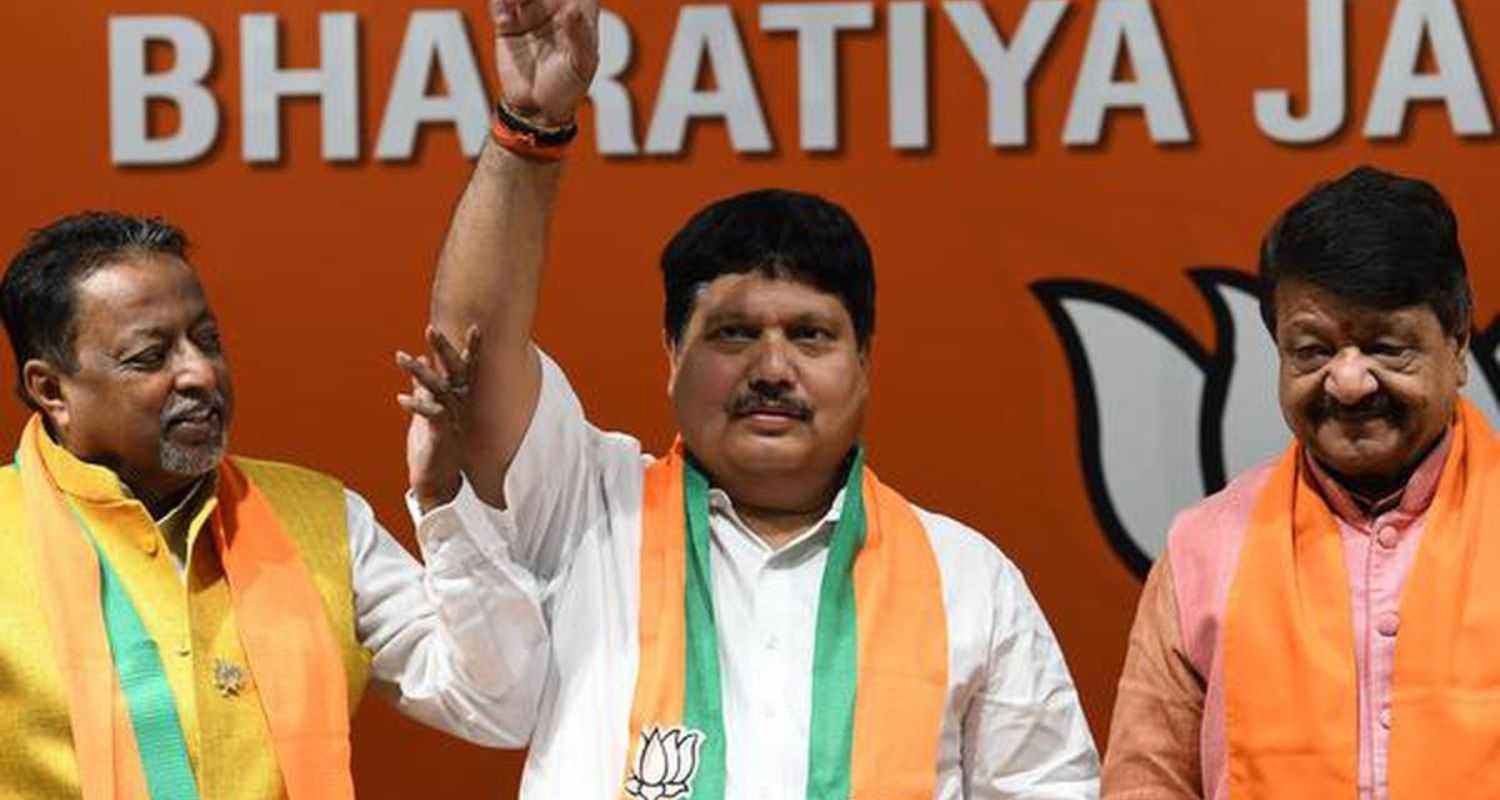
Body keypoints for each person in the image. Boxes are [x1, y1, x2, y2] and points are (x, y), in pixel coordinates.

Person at [392, 0, 1099, 796]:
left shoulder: (968, 581)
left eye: (810, 335)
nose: (771, 368)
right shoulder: (589, 512)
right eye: (731, 334)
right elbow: (469, 359)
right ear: (670, 358)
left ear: (864, 360)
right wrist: (531, 125)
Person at [0, 212, 545, 799]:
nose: (200, 373)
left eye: (207, 341)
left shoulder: (322, 521)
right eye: (150, 357)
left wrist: (444, 501)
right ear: (51, 391)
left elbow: (498, 704)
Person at [1101, 166, 1496, 799]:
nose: (1348, 382)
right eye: (1312, 351)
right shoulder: (1204, 548)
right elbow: (1146, 785)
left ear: (1457, 343)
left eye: (1387, 347)